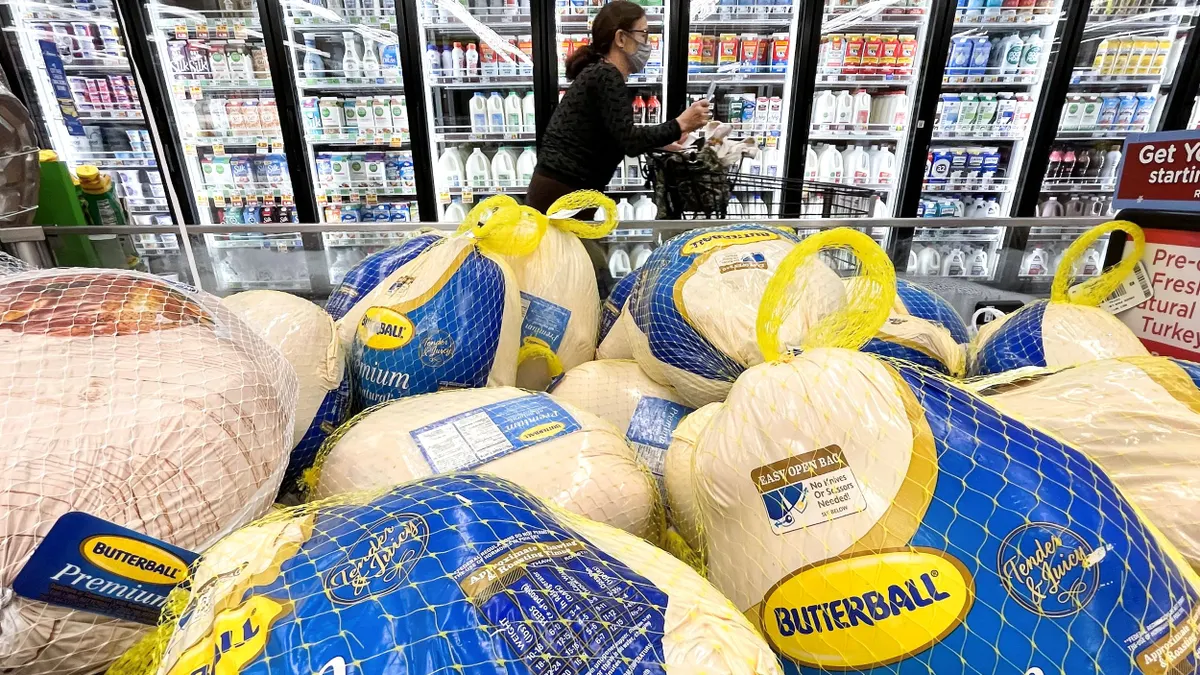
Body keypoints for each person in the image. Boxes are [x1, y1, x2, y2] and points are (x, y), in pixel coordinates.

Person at [526, 0, 710, 213]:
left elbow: (615, 134)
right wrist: (681, 124)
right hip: (562, 190)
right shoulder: (606, 75)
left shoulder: (601, 73)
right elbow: (630, 141)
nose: (647, 44)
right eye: (643, 34)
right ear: (621, 38)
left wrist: (663, 142)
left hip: (564, 189)